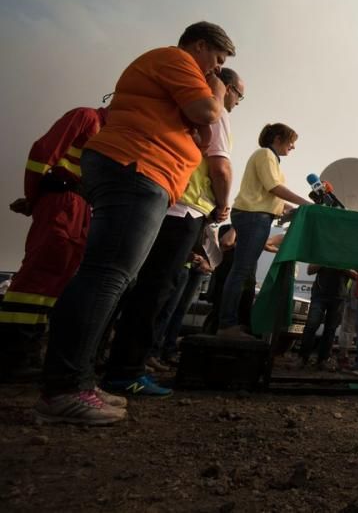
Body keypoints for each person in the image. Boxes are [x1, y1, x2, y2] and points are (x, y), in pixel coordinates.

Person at [35, 21, 232, 425]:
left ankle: (79, 383)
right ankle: (64, 389)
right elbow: (206, 113)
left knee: (113, 277)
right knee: (107, 275)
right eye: (217, 59)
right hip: (137, 166)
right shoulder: (177, 60)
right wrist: (217, 91)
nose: (216, 69)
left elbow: (192, 134)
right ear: (199, 45)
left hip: (142, 171)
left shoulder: (171, 73)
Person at [101, 68, 244, 396]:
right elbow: (220, 168)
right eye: (238, 93)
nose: (237, 101)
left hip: (166, 204)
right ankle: (126, 373)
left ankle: (116, 365)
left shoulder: (182, 109)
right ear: (227, 87)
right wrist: (223, 206)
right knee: (154, 293)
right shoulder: (215, 112)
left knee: (140, 289)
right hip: (184, 211)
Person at [0, 103, 107, 381]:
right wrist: (35, 198)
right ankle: (11, 355)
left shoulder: (108, 134)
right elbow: (42, 153)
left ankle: (26, 352)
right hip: (63, 202)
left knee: (54, 280)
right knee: (37, 275)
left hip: (78, 208)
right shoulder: (87, 117)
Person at [216, 123, 311, 339]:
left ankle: (234, 323)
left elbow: (272, 196)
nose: (293, 147)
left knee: (246, 273)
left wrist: (292, 209)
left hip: (256, 216)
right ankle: (226, 325)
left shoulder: (271, 159)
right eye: (291, 141)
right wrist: (305, 204)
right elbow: (274, 188)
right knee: (241, 271)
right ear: (278, 139)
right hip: (253, 216)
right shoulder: (265, 154)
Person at [299, 266, 349, 370]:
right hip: (319, 295)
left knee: (330, 329)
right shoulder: (323, 251)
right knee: (311, 325)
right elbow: (309, 270)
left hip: (339, 296)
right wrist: (325, 261)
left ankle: (323, 360)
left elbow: (356, 275)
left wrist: (343, 266)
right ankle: (302, 358)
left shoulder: (346, 253)